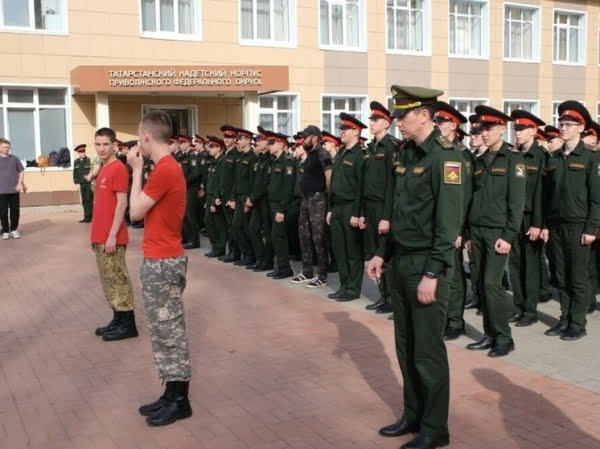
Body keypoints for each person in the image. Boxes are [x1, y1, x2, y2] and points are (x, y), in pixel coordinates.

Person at [367, 86, 464, 449]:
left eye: (403, 117)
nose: (397, 124)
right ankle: (413, 414)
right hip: (401, 260)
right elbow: (396, 213)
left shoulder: (446, 158)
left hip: (427, 264)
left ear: (424, 115)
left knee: (428, 351)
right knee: (406, 346)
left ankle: (435, 427)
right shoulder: (405, 155)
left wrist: (433, 274)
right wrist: (380, 253)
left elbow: (448, 223)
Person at [128, 110, 192, 426]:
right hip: (161, 258)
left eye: (140, 136)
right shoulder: (164, 167)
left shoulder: (165, 169)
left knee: (170, 331)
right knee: (162, 330)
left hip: (164, 261)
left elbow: (136, 211)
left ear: (146, 137)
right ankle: (171, 392)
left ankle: (180, 400)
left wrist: (136, 170)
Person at [465, 106, 525, 357]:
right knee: (481, 283)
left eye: (489, 128)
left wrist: (508, 236)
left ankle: (504, 337)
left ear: (502, 128)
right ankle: (489, 334)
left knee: (492, 284)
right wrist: (467, 234)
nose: (484, 133)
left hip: (498, 233)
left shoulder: (513, 160)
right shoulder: (478, 161)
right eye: (481, 129)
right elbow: (471, 199)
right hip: (477, 231)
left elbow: (517, 203)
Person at [542, 101, 600, 341]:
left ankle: (578, 322)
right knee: (561, 276)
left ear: (580, 127)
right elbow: (546, 197)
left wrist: (591, 228)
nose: (563, 128)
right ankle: (564, 318)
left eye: (568, 124)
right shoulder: (554, 158)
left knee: (577, 277)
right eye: (562, 124)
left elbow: (596, 198)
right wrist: (544, 224)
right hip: (556, 225)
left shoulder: (589, 158)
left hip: (578, 226)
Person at [90, 128, 137, 341]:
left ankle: (128, 324)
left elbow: (122, 203)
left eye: (105, 144)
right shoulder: (103, 168)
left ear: (114, 145)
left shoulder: (118, 168)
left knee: (118, 278)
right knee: (108, 280)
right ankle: (117, 318)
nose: (101, 148)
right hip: (100, 234)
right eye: (98, 144)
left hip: (112, 237)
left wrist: (111, 235)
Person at [431, 102, 472, 340]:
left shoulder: (461, 156)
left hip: (453, 226)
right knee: (440, 273)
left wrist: (459, 230)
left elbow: (463, 198)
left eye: (442, 122)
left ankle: (456, 321)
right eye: (436, 122)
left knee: (454, 275)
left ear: (454, 125)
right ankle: (444, 316)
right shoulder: (439, 152)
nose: (438, 126)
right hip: (437, 224)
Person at [506, 110, 546, 327]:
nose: (518, 133)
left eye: (522, 129)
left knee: (530, 267)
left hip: (531, 217)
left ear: (533, 130)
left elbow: (541, 192)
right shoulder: (514, 155)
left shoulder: (540, 156)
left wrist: (539, 223)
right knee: (515, 264)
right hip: (515, 217)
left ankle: (530, 311)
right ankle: (519, 306)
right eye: (516, 129)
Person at [360, 102, 395, 314]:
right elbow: (364, 183)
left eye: (376, 120)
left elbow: (392, 184)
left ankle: (390, 297)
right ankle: (383, 295)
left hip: (383, 206)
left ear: (386, 123)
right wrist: (363, 212)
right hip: (369, 206)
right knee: (374, 252)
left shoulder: (391, 147)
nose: (371, 123)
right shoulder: (371, 148)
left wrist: (386, 216)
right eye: (371, 119)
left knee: (386, 254)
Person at [327, 113, 366, 302]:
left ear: (356, 131)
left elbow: (361, 187)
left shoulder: (360, 155)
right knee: (339, 250)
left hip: (351, 207)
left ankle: (353, 288)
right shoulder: (341, 152)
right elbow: (334, 182)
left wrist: (357, 213)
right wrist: (330, 208)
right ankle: (344, 285)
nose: (341, 131)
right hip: (337, 207)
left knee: (352, 251)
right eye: (341, 128)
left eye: (345, 128)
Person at [291, 125, 332, 288]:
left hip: (318, 199)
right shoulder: (310, 155)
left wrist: (327, 199)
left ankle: (322, 274)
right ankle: (307, 271)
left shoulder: (322, 153)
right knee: (304, 236)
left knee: (318, 237)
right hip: (306, 200)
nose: (302, 140)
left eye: (305, 137)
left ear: (314, 137)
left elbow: (329, 176)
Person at [265, 130, 297, 280]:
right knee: (275, 236)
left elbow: (289, 188)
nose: (269, 145)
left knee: (279, 236)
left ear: (281, 144)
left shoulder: (288, 161)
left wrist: (282, 209)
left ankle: (285, 268)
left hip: (281, 206)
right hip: (272, 204)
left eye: (272, 143)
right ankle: (281, 266)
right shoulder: (274, 161)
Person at [247, 126, 274, 271]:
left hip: (266, 200)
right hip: (257, 199)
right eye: (256, 139)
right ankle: (261, 258)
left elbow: (265, 183)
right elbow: (255, 181)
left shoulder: (270, 159)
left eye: (259, 139)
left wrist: (253, 197)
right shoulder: (260, 158)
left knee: (268, 233)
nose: (256, 142)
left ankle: (268, 261)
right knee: (253, 229)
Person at [230, 128, 257, 266]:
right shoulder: (240, 158)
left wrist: (250, 199)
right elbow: (236, 180)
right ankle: (246, 254)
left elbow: (253, 180)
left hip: (246, 197)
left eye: (240, 139)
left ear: (247, 140)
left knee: (246, 228)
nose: (238, 141)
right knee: (236, 227)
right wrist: (233, 197)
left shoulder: (253, 157)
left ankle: (250, 255)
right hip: (239, 196)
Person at [204, 136, 228, 258]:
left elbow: (220, 182)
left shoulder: (222, 162)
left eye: (213, 147)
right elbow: (210, 180)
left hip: (216, 197)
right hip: (210, 195)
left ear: (219, 148)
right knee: (209, 222)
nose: (210, 149)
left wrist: (215, 200)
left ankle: (220, 247)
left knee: (218, 224)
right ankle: (215, 246)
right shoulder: (213, 161)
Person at [220, 125, 241, 262]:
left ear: (235, 139)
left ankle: (235, 252)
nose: (227, 140)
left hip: (231, 195)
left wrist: (232, 197)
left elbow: (236, 179)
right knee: (228, 225)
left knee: (234, 226)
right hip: (223, 194)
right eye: (225, 137)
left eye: (230, 137)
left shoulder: (236, 155)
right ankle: (231, 251)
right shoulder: (224, 154)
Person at [0, 139, 25, 240]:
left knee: (15, 211)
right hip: (1, 191)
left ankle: (14, 229)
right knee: (3, 212)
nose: (7, 149)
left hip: (14, 190)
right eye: (5, 147)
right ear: (0, 148)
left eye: (8, 147)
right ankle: (5, 231)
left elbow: (21, 172)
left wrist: (20, 184)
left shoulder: (14, 159)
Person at [73, 144, 94, 223]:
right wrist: (76, 183)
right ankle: (86, 217)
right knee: (84, 201)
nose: (83, 153)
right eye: (81, 152)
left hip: (89, 184)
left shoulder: (89, 160)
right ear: (78, 153)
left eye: (84, 151)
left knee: (89, 200)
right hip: (81, 184)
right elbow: (75, 173)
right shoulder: (76, 162)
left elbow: (92, 171)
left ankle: (90, 217)